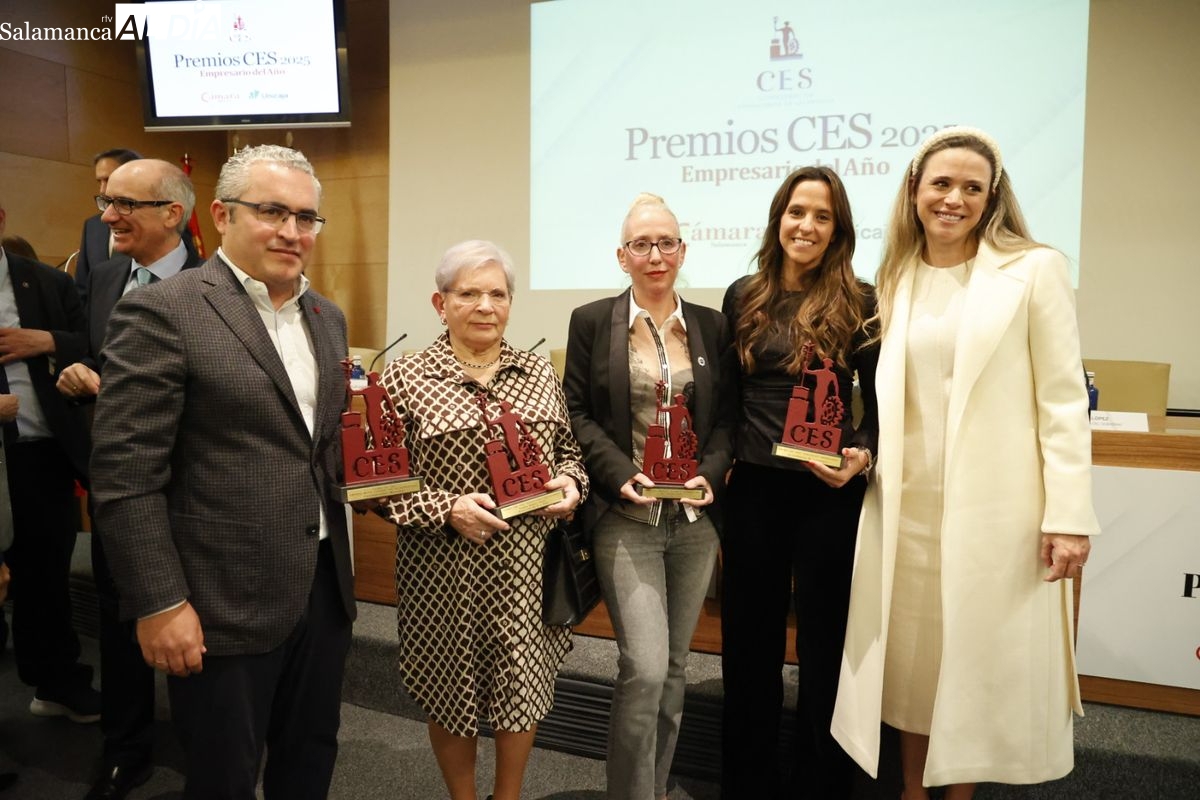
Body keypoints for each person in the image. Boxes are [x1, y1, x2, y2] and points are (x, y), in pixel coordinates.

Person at [831, 127, 1099, 799]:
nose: (953, 198)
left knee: (973, 661)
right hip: (907, 505)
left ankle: (961, 795)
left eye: (971, 188)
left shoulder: (1034, 268)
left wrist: (1068, 515)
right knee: (915, 664)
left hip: (997, 513)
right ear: (915, 191)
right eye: (940, 184)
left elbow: (1063, 401)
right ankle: (913, 791)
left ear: (992, 197)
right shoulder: (897, 275)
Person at [89, 145, 357, 799]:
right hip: (219, 600)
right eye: (272, 212)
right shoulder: (166, 311)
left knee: (309, 758)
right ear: (221, 214)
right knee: (223, 777)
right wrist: (159, 600)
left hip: (322, 588)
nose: (292, 232)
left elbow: (315, 449)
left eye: (306, 218)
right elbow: (126, 475)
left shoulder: (326, 318)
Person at [377, 240, 588, 800]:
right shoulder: (404, 378)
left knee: (522, 688)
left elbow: (568, 452)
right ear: (439, 302)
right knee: (452, 690)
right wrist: (445, 508)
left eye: (497, 293)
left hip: (526, 568)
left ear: (512, 303)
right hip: (443, 571)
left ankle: (509, 795)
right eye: (468, 293)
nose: (485, 305)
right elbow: (378, 486)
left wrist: (570, 485)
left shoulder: (539, 371)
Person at [563, 193, 734, 800]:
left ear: (683, 251)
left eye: (666, 243)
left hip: (694, 520)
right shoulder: (591, 321)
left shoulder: (713, 325)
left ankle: (653, 789)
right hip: (626, 515)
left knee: (677, 669)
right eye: (642, 244)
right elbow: (577, 412)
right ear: (622, 256)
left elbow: (726, 421)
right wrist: (616, 474)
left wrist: (711, 470)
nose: (655, 255)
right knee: (644, 667)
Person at [719, 166, 878, 798]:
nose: (805, 226)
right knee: (748, 646)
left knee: (826, 649)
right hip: (754, 489)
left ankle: (823, 785)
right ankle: (748, 784)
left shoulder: (862, 301)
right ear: (777, 218)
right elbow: (727, 397)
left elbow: (885, 405)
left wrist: (860, 457)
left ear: (838, 230)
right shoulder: (744, 294)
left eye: (821, 216)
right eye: (796, 212)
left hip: (826, 494)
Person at [57, 158, 201, 800]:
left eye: (123, 204)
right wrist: (78, 374)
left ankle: (211, 749)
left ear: (172, 213)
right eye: (104, 200)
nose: (106, 216)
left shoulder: (218, 285)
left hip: (195, 493)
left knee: (202, 626)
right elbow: (97, 357)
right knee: (121, 625)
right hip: (121, 491)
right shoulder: (106, 275)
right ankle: (126, 747)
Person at [0, 196, 99, 725]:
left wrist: (48, 341)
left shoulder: (47, 283)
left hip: (40, 457)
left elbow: (97, 345)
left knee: (46, 580)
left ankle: (56, 683)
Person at [75, 149, 141, 304]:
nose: (102, 190)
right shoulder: (93, 226)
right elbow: (82, 288)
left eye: (109, 179)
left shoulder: (154, 220)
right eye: (100, 181)